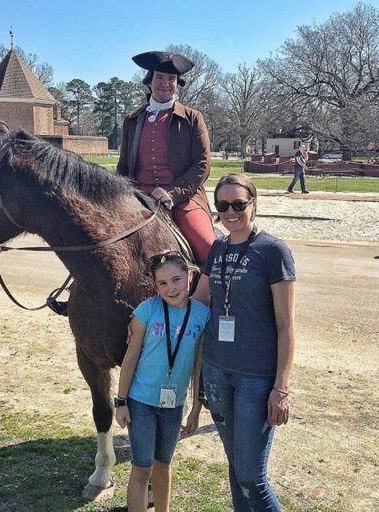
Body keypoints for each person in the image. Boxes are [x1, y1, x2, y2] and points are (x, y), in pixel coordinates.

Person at [193, 173, 296, 511]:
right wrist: (152, 317)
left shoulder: (273, 251)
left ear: (254, 204)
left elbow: (285, 325)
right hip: (217, 372)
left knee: (252, 476)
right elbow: (200, 301)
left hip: (255, 378)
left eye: (238, 204)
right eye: (222, 205)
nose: (230, 212)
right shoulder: (219, 247)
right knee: (236, 468)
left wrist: (281, 387)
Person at [115, 251, 210, 512]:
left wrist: (196, 408)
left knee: (164, 465)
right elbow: (131, 357)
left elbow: (198, 365)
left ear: (190, 276)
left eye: (177, 279)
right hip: (141, 402)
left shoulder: (202, 315)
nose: (171, 289)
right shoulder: (147, 310)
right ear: (155, 286)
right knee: (142, 467)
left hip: (174, 405)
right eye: (163, 284)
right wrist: (121, 401)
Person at [116, 51, 216, 266]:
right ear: (149, 81)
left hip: (182, 199)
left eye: (171, 79)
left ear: (177, 84)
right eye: (160, 77)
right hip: (137, 197)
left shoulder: (192, 118)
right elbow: (123, 166)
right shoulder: (132, 120)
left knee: (209, 248)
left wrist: (172, 193)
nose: (165, 83)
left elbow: (202, 164)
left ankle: (213, 298)